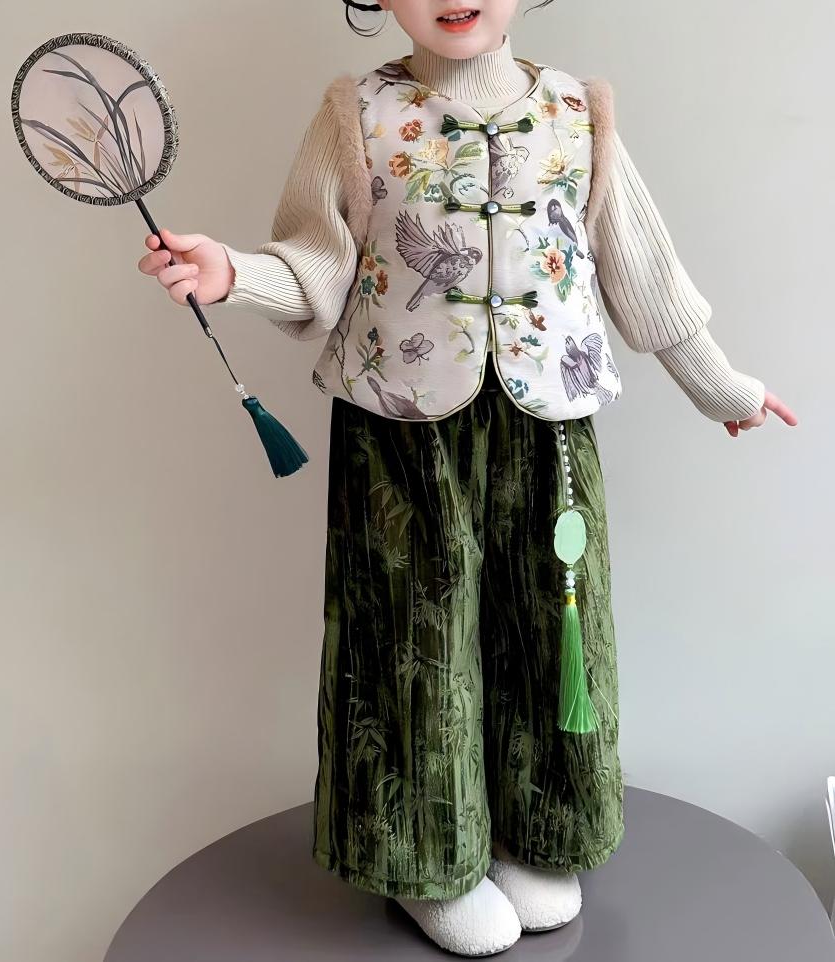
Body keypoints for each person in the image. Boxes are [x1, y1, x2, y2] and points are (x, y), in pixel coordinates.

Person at [137, 1, 797, 955]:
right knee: (416, 634)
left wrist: (721, 384)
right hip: (399, 430)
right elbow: (318, 265)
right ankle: (429, 861)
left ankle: (542, 828)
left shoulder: (578, 112)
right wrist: (232, 274)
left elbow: (639, 269)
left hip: (549, 424)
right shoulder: (354, 114)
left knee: (555, 623)